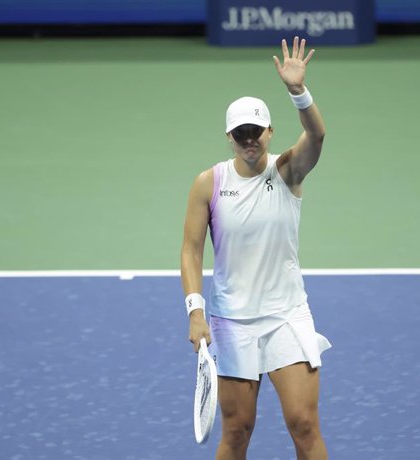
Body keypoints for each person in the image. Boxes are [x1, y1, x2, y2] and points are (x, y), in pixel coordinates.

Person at [180, 36, 330, 460]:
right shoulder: (208, 183)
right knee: (238, 432)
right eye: (240, 133)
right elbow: (191, 250)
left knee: (304, 425)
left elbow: (317, 136)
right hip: (232, 322)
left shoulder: (288, 172)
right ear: (229, 136)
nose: (250, 140)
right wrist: (195, 311)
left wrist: (298, 91)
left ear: (270, 132)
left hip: (286, 315)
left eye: (256, 131)